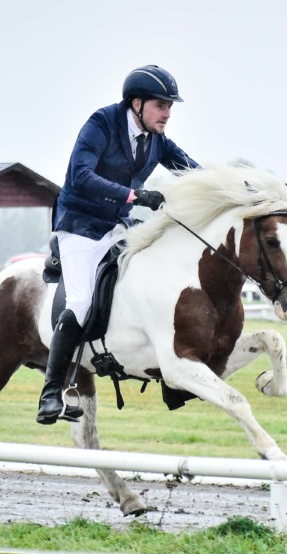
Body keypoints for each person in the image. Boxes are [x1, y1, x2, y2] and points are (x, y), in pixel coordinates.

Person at [37, 65, 200, 425]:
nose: (167, 114)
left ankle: (171, 376)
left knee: (158, 280)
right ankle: (50, 393)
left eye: (170, 107)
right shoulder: (101, 124)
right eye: (161, 106)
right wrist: (134, 195)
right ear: (137, 103)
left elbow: (192, 170)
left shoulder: (157, 139)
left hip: (116, 226)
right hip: (80, 225)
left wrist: (233, 188)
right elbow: (80, 176)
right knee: (80, 301)